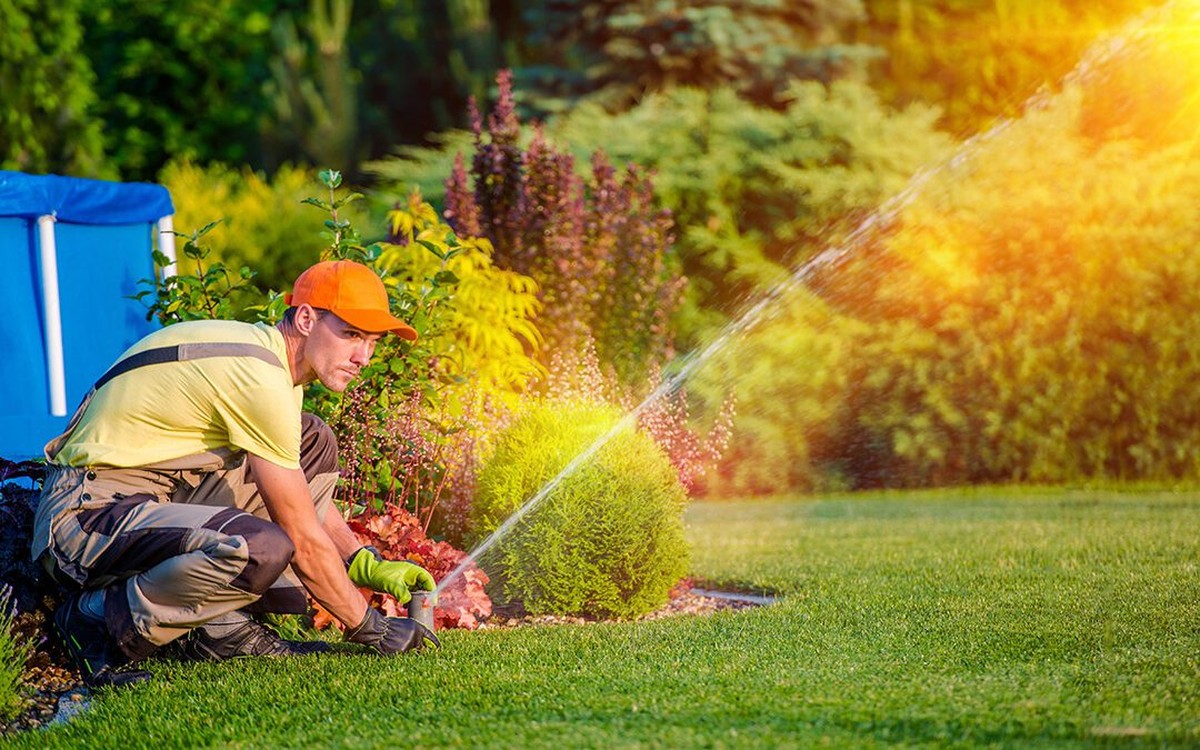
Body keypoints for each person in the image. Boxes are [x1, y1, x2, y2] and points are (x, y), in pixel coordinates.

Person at [32, 259, 440, 689]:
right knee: (260, 551)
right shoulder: (259, 377)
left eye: (372, 341)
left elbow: (298, 499)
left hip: (148, 501)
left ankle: (218, 630)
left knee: (312, 441)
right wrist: (369, 627)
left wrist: (359, 561)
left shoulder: (271, 366)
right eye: (352, 335)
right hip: (84, 519)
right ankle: (96, 621)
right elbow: (300, 537)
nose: (364, 357)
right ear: (305, 319)